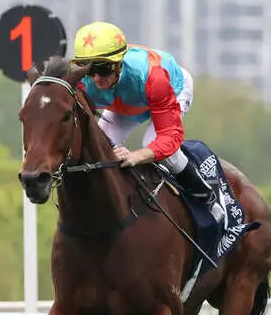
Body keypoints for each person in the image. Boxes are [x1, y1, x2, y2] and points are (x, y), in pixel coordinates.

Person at [71, 21, 225, 224]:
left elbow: (170, 137)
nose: (97, 79)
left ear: (118, 64)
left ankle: (208, 197)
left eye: (103, 69)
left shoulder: (154, 77)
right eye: (89, 70)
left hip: (171, 89)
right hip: (125, 100)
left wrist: (136, 156)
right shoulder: (82, 81)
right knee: (101, 145)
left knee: (158, 149)